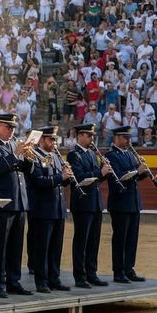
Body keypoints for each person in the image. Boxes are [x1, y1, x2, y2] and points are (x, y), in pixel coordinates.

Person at [0, 113, 34, 298]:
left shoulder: (13, 145)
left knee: (15, 246)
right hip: (2, 203)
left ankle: (14, 281)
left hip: (19, 201)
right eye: (7, 127)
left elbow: (26, 171)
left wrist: (28, 157)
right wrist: (15, 154)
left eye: (12, 127)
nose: (11, 130)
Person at [26, 126, 72, 293]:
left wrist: (67, 177)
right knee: (42, 247)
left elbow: (61, 182)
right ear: (42, 140)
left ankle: (54, 277)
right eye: (51, 139)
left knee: (55, 247)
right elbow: (38, 180)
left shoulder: (56, 157)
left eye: (55, 139)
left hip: (58, 208)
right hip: (43, 209)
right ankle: (41, 280)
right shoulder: (35, 156)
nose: (54, 143)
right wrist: (61, 177)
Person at [66, 123, 111, 288]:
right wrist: (101, 172)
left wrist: (105, 171)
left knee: (93, 241)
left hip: (95, 203)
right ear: (80, 136)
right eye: (89, 135)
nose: (92, 139)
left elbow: (97, 178)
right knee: (82, 241)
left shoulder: (92, 154)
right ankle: (80, 276)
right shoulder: (74, 155)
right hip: (83, 203)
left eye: (92, 136)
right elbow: (79, 177)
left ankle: (91, 273)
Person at [104, 126, 149, 283]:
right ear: (116, 138)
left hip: (133, 202)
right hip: (120, 203)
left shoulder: (130, 154)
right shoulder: (111, 155)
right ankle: (118, 271)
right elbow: (120, 177)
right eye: (125, 137)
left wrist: (143, 171)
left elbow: (135, 179)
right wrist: (137, 170)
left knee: (132, 238)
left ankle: (129, 268)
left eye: (129, 137)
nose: (129, 140)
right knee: (120, 238)